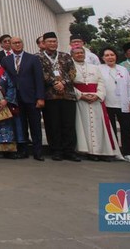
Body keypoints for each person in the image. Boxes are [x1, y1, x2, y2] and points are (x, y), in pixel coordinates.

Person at [1, 37, 46, 161]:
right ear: (10, 45)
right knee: (20, 126)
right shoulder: (6, 60)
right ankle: (23, 150)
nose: (17, 45)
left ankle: (38, 152)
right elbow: (5, 79)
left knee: (35, 125)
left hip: (31, 98)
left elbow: (39, 79)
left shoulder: (33, 59)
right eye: (14, 43)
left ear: (23, 43)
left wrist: (40, 97)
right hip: (15, 99)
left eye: (19, 42)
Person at [38, 32, 80, 162]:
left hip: (67, 95)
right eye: (49, 41)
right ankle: (56, 150)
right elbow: (40, 73)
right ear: (44, 43)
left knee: (68, 124)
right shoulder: (38, 58)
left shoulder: (65, 56)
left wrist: (63, 82)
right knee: (52, 124)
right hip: (50, 96)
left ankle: (70, 151)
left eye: (54, 41)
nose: (52, 44)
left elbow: (72, 72)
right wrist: (54, 82)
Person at [71, 47, 116, 161]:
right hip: (81, 100)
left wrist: (98, 95)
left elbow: (101, 82)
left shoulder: (95, 68)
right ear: (72, 55)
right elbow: (69, 83)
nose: (80, 55)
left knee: (98, 126)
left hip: (95, 100)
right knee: (84, 126)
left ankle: (102, 151)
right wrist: (81, 95)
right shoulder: (70, 67)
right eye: (77, 53)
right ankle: (89, 151)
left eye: (81, 53)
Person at [99, 47, 130, 163]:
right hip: (107, 103)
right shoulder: (99, 69)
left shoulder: (123, 69)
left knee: (127, 128)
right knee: (110, 129)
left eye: (112, 55)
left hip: (123, 103)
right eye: (106, 55)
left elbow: (129, 86)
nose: (110, 57)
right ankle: (114, 151)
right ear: (102, 58)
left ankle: (129, 153)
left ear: (116, 56)